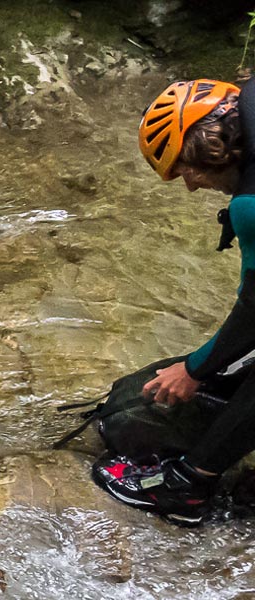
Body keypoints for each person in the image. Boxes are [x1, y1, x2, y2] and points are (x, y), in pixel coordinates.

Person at [95, 78, 255, 526]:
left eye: (187, 171)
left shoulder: (252, 204)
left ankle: (187, 487)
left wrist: (195, 369)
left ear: (213, 152)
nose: (190, 187)